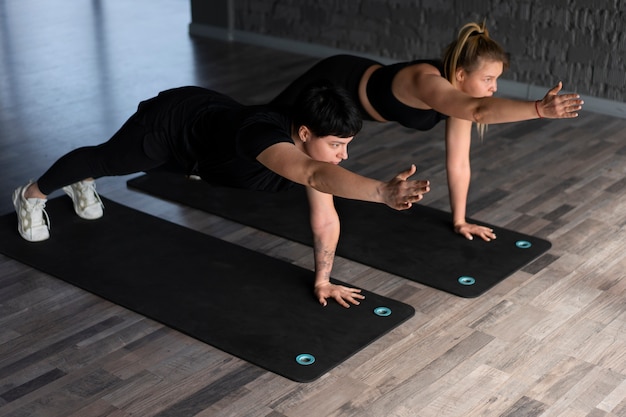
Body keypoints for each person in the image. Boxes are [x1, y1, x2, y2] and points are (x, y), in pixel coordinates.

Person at [12, 82, 430, 308]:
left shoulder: (315, 158)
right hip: (171, 126)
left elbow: (325, 214)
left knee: (108, 164)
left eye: (347, 145)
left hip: (203, 151)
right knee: (108, 160)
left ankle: (83, 179)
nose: (344, 154)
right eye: (337, 144)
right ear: (304, 134)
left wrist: (323, 280)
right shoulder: (264, 137)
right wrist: (381, 192)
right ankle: (31, 195)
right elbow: (311, 173)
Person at [271, 21, 584, 242]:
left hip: (358, 94)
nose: (494, 87)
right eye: (488, 79)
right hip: (335, 78)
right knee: (273, 128)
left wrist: (460, 220)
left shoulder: (459, 101)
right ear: (460, 74)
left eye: (496, 80)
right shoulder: (426, 81)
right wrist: (539, 109)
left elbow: (459, 163)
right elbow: (479, 112)